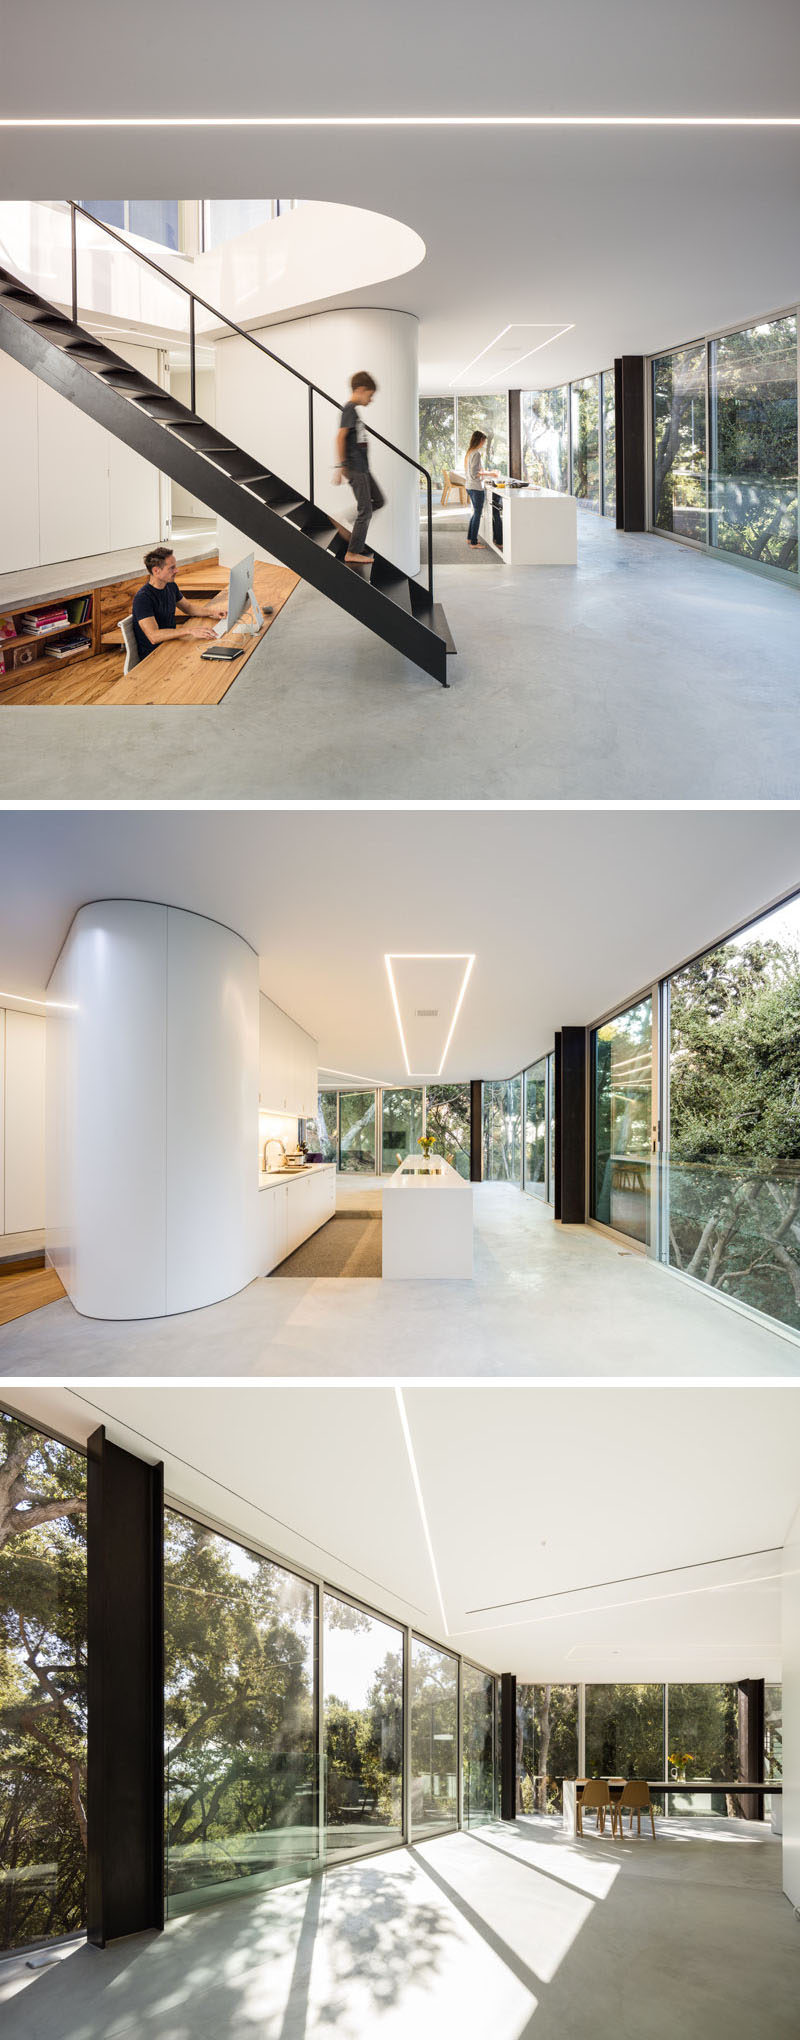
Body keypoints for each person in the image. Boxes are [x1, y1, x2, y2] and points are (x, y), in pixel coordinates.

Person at [131, 546, 227, 662]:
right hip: (155, 656)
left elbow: (188, 608)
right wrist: (189, 630)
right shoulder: (143, 598)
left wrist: (213, 612)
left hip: (172, 643)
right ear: (156, 571)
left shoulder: (170, 586)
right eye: (171, 568)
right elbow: (154, 636)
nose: (177, 570)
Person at [335, 372, 386, 565]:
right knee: (365, 510)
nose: (371, 400)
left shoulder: (354, 411)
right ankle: (352, 552)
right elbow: (340, 437)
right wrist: (342, 466)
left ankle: (343, 519)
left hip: (363, 468)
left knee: (379, 500)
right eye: (370, 395)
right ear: (360, 390)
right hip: (355, 467)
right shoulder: (349, 409)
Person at [464, 430, 500, 548]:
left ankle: (470, 538)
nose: (484, 443)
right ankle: (474, 542)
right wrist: (491, 474)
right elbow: (475, 473)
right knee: (477, 514)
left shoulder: (470, 452)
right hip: (476, 488)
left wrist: (488, 473)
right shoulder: (477, 453)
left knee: (475, 513)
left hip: (469, 486)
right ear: (480, 440)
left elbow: (473, 471)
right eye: (484, 441)